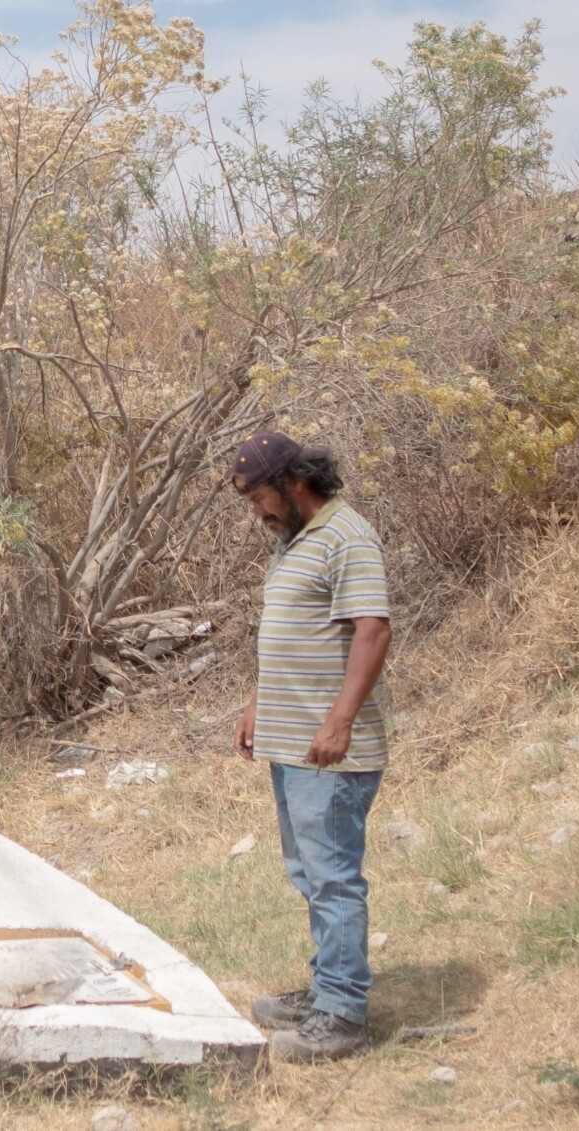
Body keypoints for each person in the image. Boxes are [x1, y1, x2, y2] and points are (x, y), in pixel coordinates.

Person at [229, 429, 392, 1064]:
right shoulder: (295, 540)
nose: (258, 513)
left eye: (260, 498)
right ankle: (327, 989)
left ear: (296, 484)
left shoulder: (347, 537)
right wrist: (257, 702)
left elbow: (372, 631)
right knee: (308, 872)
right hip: (291, 743)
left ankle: (344, 1013)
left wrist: (339, 722)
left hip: (328, 751)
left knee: (331, 877)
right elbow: (291, 633)